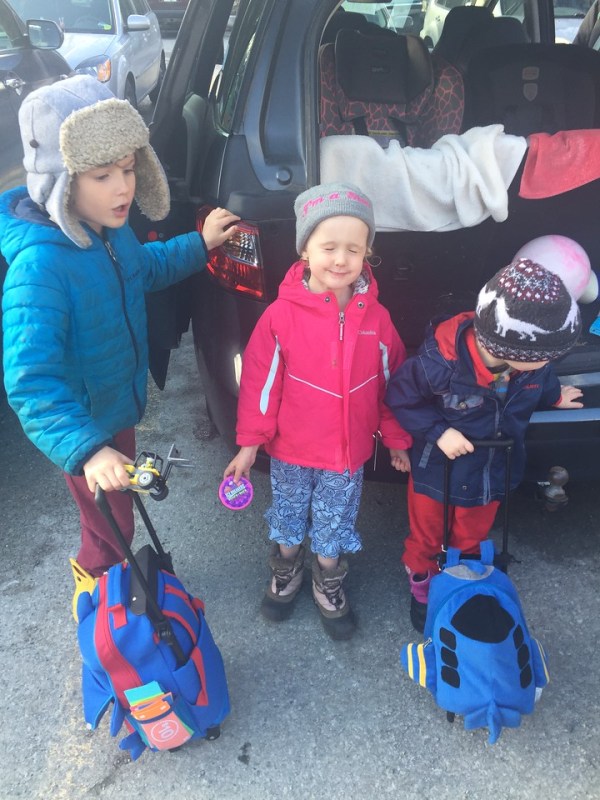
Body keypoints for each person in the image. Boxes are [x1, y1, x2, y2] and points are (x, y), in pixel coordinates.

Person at [1, 75, 239, 617]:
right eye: (103, 174)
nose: (123, 188)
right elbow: (30, 382)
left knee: (118, 512)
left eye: (129, 169)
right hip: (85, 428)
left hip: (118, 408)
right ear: (62, 180)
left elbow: (144, 269)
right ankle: (98, 594)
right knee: (112, 522)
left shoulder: (111, 232)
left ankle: (111, 580)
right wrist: (87, 450)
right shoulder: (40, 268)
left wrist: (199, 245)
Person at [223, 183, 412, 640]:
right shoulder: (280, 317)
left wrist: (397, 439)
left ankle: (329, 582)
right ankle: (286, 572)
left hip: (347, 457)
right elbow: (260, 387)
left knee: (334, 522)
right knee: (288, 515)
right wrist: (249, 445)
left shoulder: (378, 319)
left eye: (354, 248)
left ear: (368, 251)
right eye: (328, 247)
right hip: (290, 448)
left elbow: (392, 386)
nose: (341, 259)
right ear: (305, 249)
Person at [385, 258, 584, 633]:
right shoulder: (439, 365)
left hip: (492, 470)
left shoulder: (532, 365)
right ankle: (422, 584)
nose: (549, 362)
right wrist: (439, 432)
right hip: (436, 472)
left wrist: (555, 397)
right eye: (545, 355)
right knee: (427, 536)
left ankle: (465, 578)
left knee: (472, 533)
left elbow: (542, 379)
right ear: (507, 346)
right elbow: (401, 396)